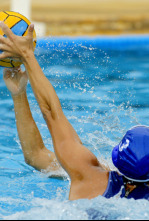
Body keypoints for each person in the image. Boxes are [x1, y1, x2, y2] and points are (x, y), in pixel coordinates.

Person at [0, 22, 149, 201]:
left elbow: (51, 114)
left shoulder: (89, 175)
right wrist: (19, 93)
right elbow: (37, 157)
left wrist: (26, 55)